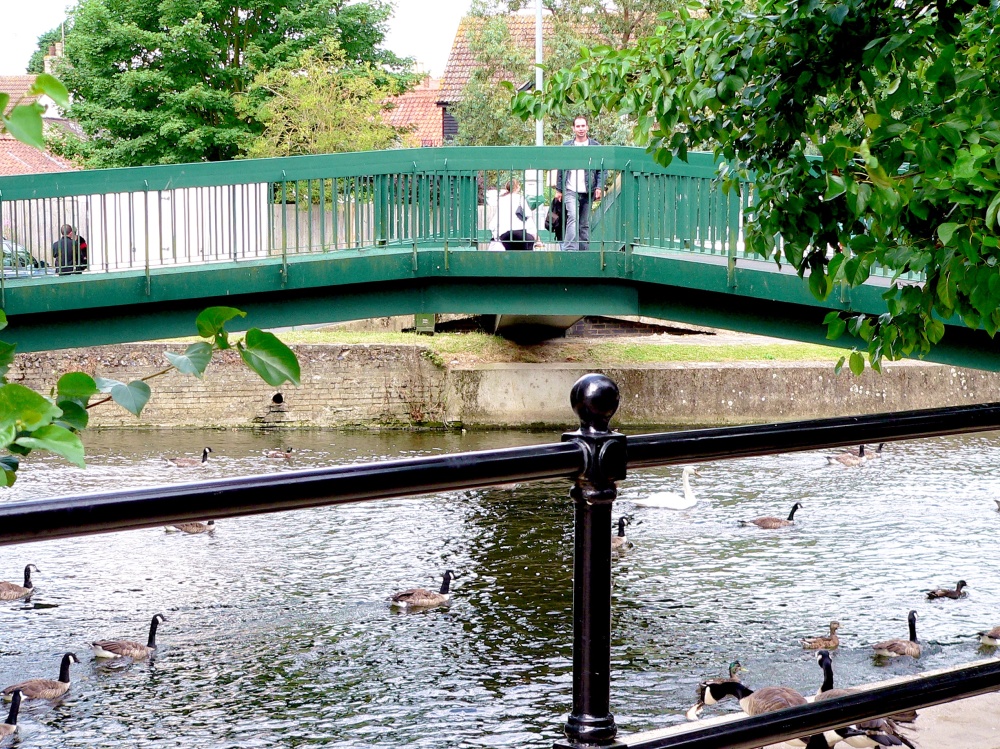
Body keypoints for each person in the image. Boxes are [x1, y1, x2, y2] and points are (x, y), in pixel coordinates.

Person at [555, 116, 606, 251]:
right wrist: (559, 189)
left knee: (584, 223)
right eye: (578, 126)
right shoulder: (567, 146)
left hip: (588, 190)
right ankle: (570, 250)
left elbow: (602, 169)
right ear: (573, 129)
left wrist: (599, 187)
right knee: (572, 217)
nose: (581, 129)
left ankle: (584, 253)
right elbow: (561, 169)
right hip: (570, 189)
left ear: (587, 127)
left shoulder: (595, 146)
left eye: (583, 126)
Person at [490, 178, 540, 251]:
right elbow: (528, 217)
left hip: (504, 234)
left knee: (509, 251)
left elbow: (494, 222)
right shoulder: (520, 198)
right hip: (519, 233)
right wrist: (537, 237)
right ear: (517, 187)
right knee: (528, 245)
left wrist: (495, 235)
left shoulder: (501, 200)